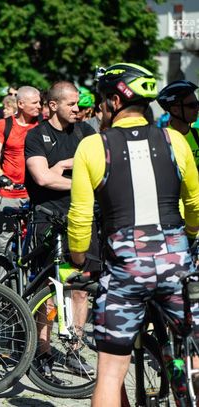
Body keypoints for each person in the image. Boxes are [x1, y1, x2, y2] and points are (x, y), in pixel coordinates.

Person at [67, 63, 199, 407]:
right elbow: (195, 203)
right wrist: (187, 235)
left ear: (114, 101)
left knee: (110, 373)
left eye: (102, 101)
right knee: (194, 349)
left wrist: (79, 258)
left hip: (126, 269)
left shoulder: (93, 147)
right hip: (175, 262)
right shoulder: (175, 140)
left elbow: (80, 217)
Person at [24, 81, 97, 380]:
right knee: (49, 291)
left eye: (78, 103)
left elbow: (101, 167)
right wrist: (80, 181)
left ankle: (73, 352)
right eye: (71, 104)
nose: (78, 109)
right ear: (53, 105)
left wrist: (63, 167)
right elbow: (42, 178)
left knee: (80, 288)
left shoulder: (86, 133)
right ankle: (42, 352)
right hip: (47, 218)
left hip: (82, 217)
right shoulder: (36, 135)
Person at [0, 86, 41, 253]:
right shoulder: (5, 124)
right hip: (10, 192)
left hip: (35, 193)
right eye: (35, 103)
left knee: (35, 241)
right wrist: (0, 175)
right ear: (21, 104)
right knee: (3, 241)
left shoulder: (42, 125)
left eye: (40, 102)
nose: (39, 106)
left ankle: (31, 271)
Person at [157, 80, 199, 169]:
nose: (197, 108)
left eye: (197, 104)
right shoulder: (163, 140)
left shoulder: (197, 134)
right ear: (175, 110)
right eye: (192, 105)